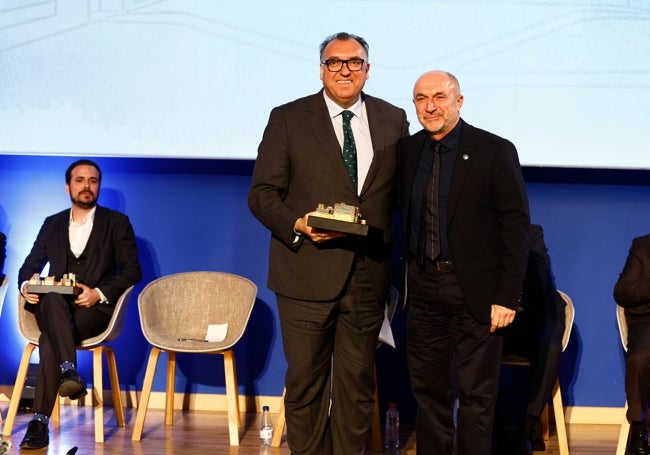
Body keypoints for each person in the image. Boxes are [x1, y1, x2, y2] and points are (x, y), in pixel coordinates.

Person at [248, 32, 409, 454]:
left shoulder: (394, 119)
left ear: (367, 70)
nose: (344, 70)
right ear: (321, 69)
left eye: (354, 62)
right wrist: (297, 223)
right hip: (305, 272)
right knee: (305, 387)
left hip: (368, 275)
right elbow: (262, 194)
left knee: (358, 388)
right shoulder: (287, 118)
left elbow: (399, 199)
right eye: (334, 62)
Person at [398, 70, 530, 455]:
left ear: (459, 101)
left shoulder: (493, 149)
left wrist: (507, 296)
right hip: (422, 289)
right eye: (421, 98)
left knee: (477, 396)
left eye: (439, 96)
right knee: (428, 392)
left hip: (476, 290)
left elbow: (515, 227)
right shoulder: (407, 151)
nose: (430, 106)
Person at [17, 159, 142, 450]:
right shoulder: (52, 223)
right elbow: (29, 267)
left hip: (92, 311)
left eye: (93, 180)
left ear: (98, 186)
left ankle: (39, 422)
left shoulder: (116, 223)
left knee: (51, 338)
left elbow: (132, 270)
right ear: (68, 186)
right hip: (51, 307)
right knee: (52, 296)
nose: (87, 185)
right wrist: (27, 287)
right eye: (80, 180)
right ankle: (68, 371)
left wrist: (98, 292)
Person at [493, 223, 566, 454]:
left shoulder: (531, 233)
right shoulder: (477, 231)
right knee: (479, 348)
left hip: (526, 315)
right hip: (488, 315)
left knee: (550, 347)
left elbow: (539, 281)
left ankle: (526, 430)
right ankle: (494, 432)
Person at [614, 234, 650, 455]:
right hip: (646, 321)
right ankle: (638, 429)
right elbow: (621, 291)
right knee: (640, 358)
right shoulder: (643, 246)